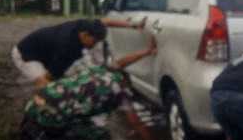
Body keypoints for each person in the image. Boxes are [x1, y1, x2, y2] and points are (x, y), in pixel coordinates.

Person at [21, 35, 160, 140]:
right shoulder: (121, 92)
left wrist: (147, 51)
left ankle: (39, 127)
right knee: (102, 137)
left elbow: (121, 62)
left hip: (40, 97)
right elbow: (137, 124)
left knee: (80, 116)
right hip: (52, 113)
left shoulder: (106, 70)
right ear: (126, 84)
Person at [11, 17, 145, 88]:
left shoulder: (86, 25)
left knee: (67, 82)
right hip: (25, 55)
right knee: (48, 86)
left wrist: (133, 25)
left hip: (43, 50)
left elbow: (107, 22)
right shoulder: (67, 48)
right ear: (85, 35)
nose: (95, 45)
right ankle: (41, 114)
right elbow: (49, 76)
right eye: (95, 41)